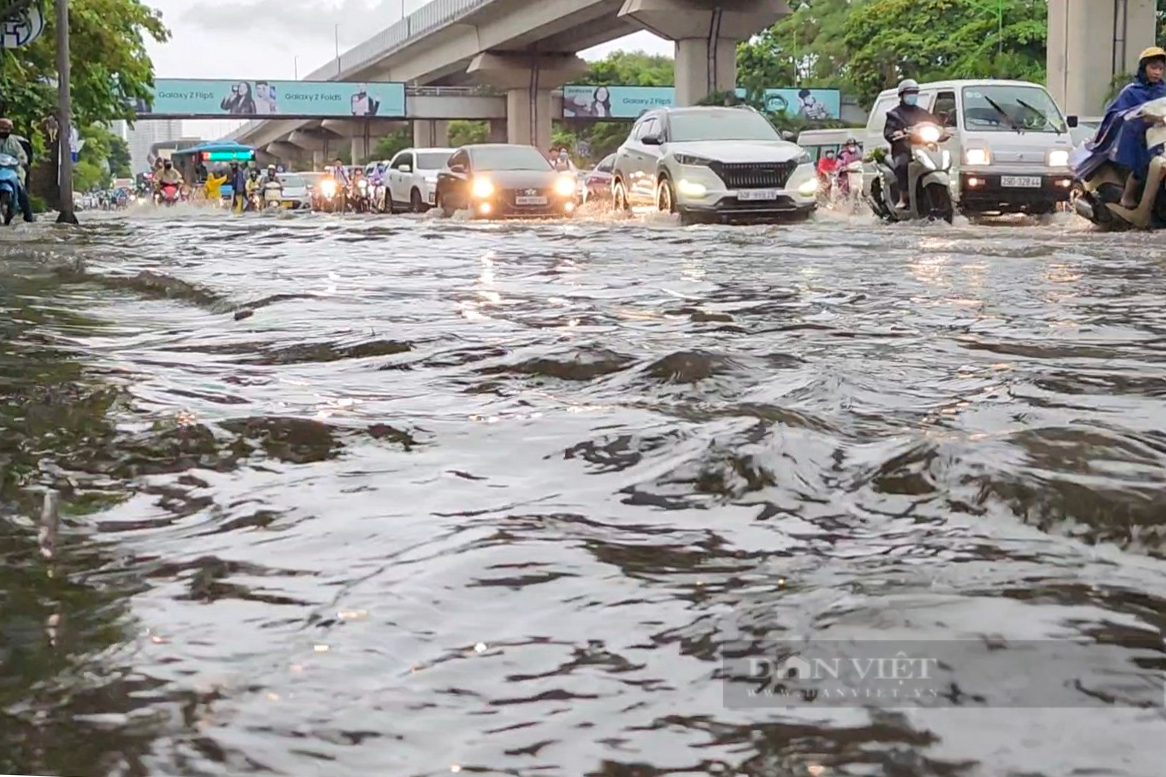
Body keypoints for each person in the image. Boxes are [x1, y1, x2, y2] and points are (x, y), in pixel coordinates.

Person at [1099, 46, 1166, 207]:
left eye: (1160, 68)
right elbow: (1118, 115)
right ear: (1144, 68)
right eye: (1153, 68)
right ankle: (1127, 196)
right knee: (1143, 166)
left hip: (1161, 137)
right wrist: (1143, 116)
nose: (1157, 72)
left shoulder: (1164, 91)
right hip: (1139, 139)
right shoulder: (1131, 92)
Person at [884, 79, 942, 208]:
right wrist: (896, 133)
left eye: (915, 93)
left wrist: (943, 131)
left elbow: (935, 124)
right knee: (903, 165)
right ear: (902, 95)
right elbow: (888, 132)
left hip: (924, 148)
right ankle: (902, 197)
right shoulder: (894, 114)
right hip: (903, 149)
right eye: (909, 93)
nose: (913, 96)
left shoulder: (923, 113)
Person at [0, 118, 34, 222]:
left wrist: (23, 161)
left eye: (6, 129)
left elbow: (21, 154)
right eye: (1, 128)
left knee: (20, 188)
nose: (4, 131)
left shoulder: (14, 142)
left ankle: (28, 216)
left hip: (12, 170)